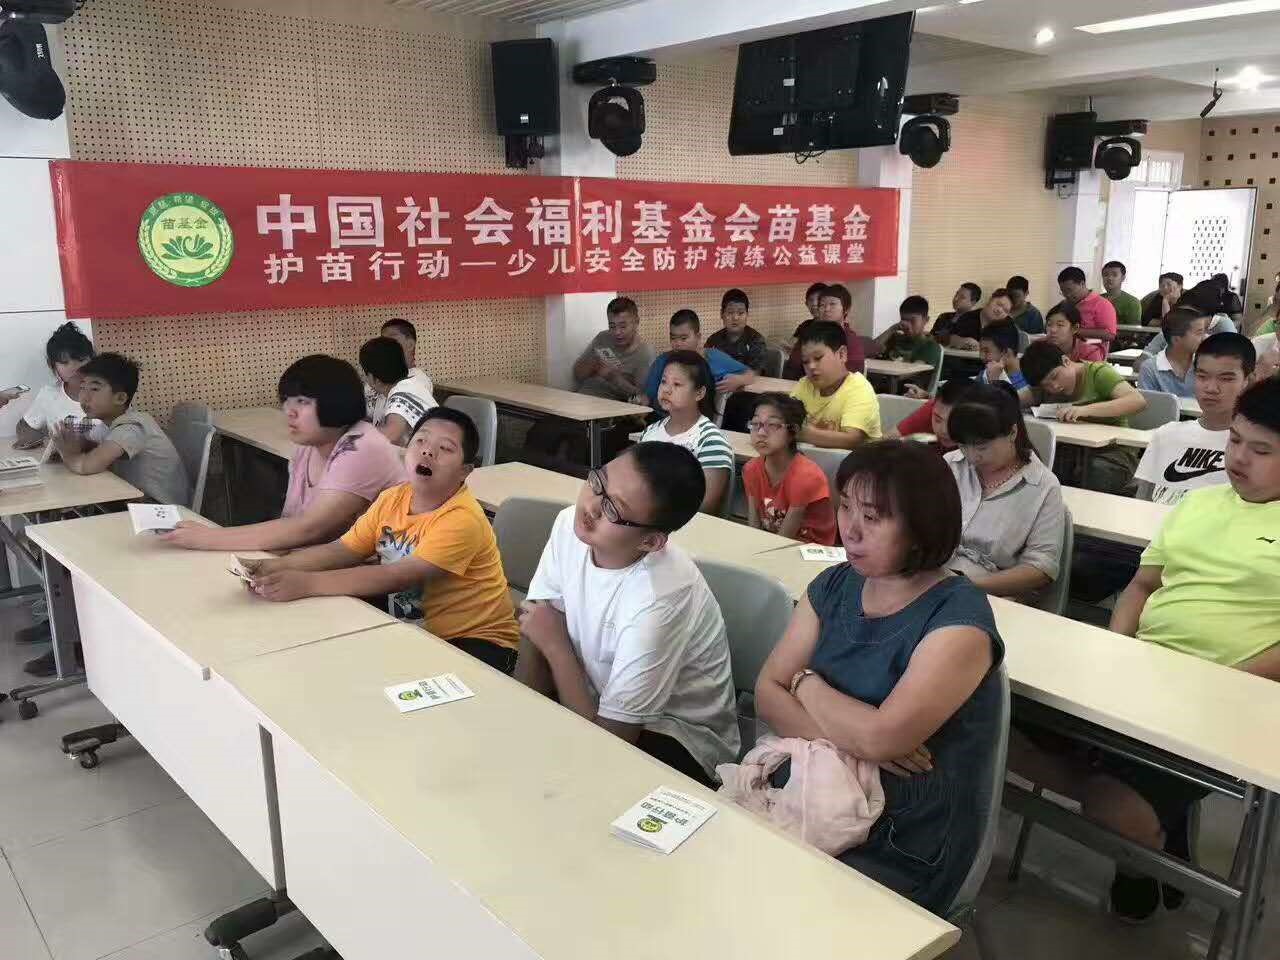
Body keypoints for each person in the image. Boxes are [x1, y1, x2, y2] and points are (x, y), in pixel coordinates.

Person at [1011, 377, 1280, 922]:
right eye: (1235, 441)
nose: (1238, 458)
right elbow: (1141, 585)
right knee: (998, 729)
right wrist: (1117, 650)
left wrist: (1223, 684)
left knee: (1111, 804)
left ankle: (1140, 852)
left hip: (1227, 699)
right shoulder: (1199, 503)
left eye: (1262, 450)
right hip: (1142, 675)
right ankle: (1145, 818)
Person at [755, 439, 1005, 915]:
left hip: (902, 835)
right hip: (808, 790)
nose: (850, 529)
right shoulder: (834, 584)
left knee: (775, 912)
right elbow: (767, 693)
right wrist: (858, 742)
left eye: (872, 517)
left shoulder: (958, 619)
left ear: (920, 527)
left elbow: (882, 737)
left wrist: (806, 684)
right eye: (846, 507)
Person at [515, 444, 740, 787]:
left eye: (613, 509)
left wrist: (557, 648)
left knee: (568, 785)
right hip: (593, 701)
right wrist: (518, 717)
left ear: (650, 542)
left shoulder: (658, 599)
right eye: (598, 482)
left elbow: (608, 749)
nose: (592, 506)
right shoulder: (570, 525)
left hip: (676, 737)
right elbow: (539, 623)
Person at [244, 407, 521, 673]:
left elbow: (397, 576)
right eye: (420, 441)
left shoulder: (463, 519)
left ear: (465, 470)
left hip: (477, 642)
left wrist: (307, 583)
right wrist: (274, 567)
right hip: (416, 630)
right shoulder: (392, 499)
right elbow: (343, 550)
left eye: (445, 448)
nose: (428, 451)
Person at [162, 355, 404, 553]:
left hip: (382, 577)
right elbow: (291, 523)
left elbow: (312, 529)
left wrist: (209, 538)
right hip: (324, 564)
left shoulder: (360, 446)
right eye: (287, 401)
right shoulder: (308, 447)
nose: (289, 411)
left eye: (302, 402)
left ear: (336, 403)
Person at [944, 384, 1065, 601]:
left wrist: (969, 586)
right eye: (963, 446)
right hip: (933, 578)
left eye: (981, 447)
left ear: (1012, 432)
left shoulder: (1043, 487)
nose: (972, 457)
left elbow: (1040, 569)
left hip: (990, 594)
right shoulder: (950, 465)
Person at [51, 352, 189, 506]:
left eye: (95, 389)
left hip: (161, 509)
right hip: (136, 502)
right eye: (83, 387)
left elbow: (87, 466)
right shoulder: (107, 424)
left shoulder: (131, 427)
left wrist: (68, 453)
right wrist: (72, 442)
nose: (84, 396)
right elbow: (90, 444)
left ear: (120, 398)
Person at [1134, 333, 1255, 504]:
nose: (1211, 388)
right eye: (1202, 376)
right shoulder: (1166, 434)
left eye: (1226, 379)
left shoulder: (1256, 448)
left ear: (1247, 382)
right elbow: (1141, 502)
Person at [1021, 340, 1147, 493]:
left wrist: (1085, 410)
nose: (1054, 386)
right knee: (1043, 468)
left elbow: (1137, 401)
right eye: (1046, 385)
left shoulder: (1098, 373)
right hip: (1072, 452)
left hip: (1114, 451)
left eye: (1055, 377)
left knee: (1097, 472)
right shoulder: (1043, 388)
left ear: (1066, 361)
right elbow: (1012, 399)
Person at [637, 351, 735, 514]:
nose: (666, 390)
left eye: (677, 384)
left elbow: (704, 508)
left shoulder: (710, 441)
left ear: (699, 393)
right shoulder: (649, 432)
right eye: (663, 381)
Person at [742, 393, 836, 545]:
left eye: (772, 425)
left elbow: (783, 539)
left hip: (809, 549)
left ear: (793, 432)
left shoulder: (806, 476)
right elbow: (753, 527)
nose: (761, 433)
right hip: (771, 541)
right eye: (755, 423)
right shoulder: (751, 469)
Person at [790, 321, 881, 450]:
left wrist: (803, 433)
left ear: (842, 354)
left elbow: (852, 440)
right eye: (805, 361)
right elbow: (786, 419)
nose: (811, 366)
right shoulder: (804, 384)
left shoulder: (859, 389)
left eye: (818, 358)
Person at [15, 322, 100, 449]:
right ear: (52, 366)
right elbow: (24, 427)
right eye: (65, 363)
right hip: (61, 461)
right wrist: (41, 441)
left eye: (81, 360)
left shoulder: (109, 393)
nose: (74, 368)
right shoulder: (48, 395)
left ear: (93, 360)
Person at [643, 309, 754, 408]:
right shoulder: (662, 361)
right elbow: (648, 398)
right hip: (662, 417)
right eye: (673, 338)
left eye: (683, 338)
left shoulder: (714, 357)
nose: (677, 344)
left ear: (698, 337)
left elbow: (750, 374)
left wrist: (739, 380)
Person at [571, 296, 654, 402]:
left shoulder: (644, 352)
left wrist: (614, 378)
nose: (617, 332)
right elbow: (577, 374)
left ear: (636, 322)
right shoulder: (602, 337)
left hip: (611, 406)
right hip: (582, 398)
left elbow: (643, 398)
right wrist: (593, 366)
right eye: (612, 326)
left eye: (623, 326)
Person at [358, 336, 437, 446]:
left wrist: (355, 434)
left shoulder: (403, 390)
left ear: (374, 378)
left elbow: (391, 436)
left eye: (364, 373)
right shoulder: (407, 385)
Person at [888, 377, 975, 455]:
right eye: (937, 420)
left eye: (954, 423)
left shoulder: (980, 440)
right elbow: (888, 441)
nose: (944, 431)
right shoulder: (930, 409)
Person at [1136, 306, 1209, 398]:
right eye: (1199, 333)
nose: (1204, 337)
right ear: (1176, 339)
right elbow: (1147, 404)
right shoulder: (1150, 369)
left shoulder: (1208, 364)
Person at [875, 295, 942, 394]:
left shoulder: (930, 346)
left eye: (912, 321)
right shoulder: (895, 338)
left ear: (926, 320)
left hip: (908, 393)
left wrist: (885, 373)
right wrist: (892, 329)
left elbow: (912, 370)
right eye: (904, 320)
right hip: (881, 389)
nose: (907, 325)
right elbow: (872, 349)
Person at [1057, 266, 1117, 361]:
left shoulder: (1102, 304)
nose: (1067, 295)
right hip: (1064, 353)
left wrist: (1074, 331)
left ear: (1082, 284)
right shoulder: (1064, 304)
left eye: (1069, 290)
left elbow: (1109, 334)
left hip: (1091, 355)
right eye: (1063, 292)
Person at [705, 288, 768, 372]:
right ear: (721, 314)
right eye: (730, 312)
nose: (735, 318)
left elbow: (755, 373)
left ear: (747, 314)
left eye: (740, 313)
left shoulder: (756, 340)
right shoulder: (713, 341)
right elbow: (705, 369)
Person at [940, 289, 1014, 352]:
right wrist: (962, 341)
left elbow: (1008, 352)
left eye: (1005, 310)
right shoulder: (968, 317)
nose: (1000, 310)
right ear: (990, 299)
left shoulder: (1008, 326)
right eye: (999, 304)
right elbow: (950, 339)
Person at [976, 321, 1031, 406]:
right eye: (980, 350)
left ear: (1006, 353)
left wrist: (994, 381)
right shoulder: (985, 374)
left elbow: (1006, 407)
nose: (981, 357)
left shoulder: (1030, 379)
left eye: (986, 351)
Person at [782, 283, 828, 379]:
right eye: (811, 300)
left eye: (818, 299)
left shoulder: (833, 330)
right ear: (806, 304)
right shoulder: (805, 325)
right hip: (794, 377)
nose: (814, 304)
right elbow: (791, 344)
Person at [380, 318, 431, 389]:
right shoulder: (379, 378)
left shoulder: (417, 382)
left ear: (410, 345)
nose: (383, 346)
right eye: (382, 341)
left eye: (391, 341)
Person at [1100, 261, 1142, 329]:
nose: (1109, 278)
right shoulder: (1095, 299)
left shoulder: (1132, 302)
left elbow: (1133, 331)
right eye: (1105, 275)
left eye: (1114, 275)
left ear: (1123, 278)